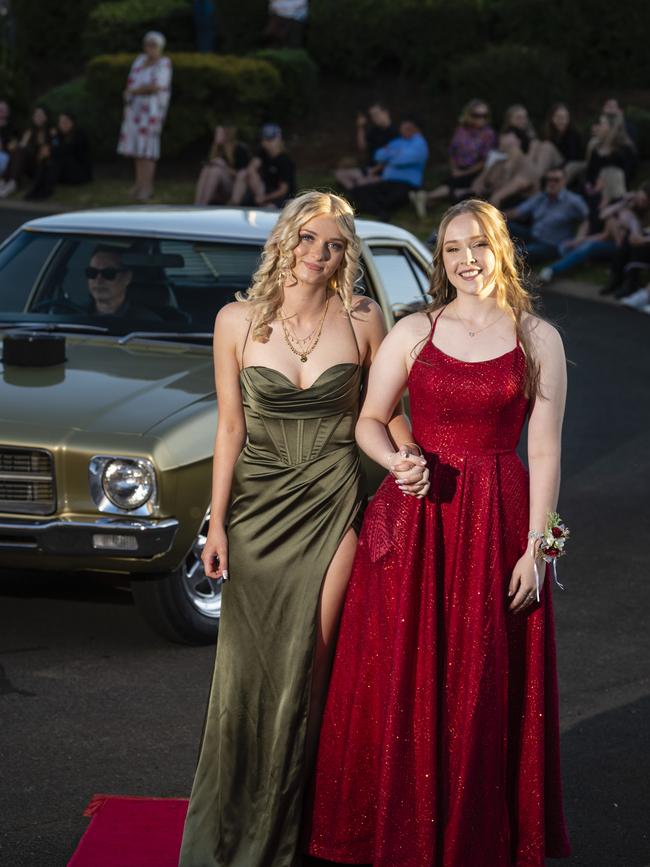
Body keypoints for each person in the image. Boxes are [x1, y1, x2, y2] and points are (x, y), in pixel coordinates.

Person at [305, 198, 571, 866]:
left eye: (478, 245)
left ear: (501, 249)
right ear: (440, 258)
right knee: (402, 675)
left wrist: (538, 551)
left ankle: (472, 836)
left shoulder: (539, 338)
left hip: (497, 523)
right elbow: (369, 418)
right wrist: (398, 459)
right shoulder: (414, 330)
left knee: (481, 679)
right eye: (453, 248)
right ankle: (397, 829)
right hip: (416, 523)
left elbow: (543, 452)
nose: (466, 259)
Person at [178, 191, 428, 867]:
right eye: (309, 239)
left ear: (348, 254)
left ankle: (297, 820)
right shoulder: (236, 320)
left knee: (310, 659)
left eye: (335, 244)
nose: (319, 254)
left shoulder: (364, 318)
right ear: (285, 240)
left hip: (333, 500)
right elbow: (230, 426)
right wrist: (217, 523)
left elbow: (387, 411)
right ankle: (237, 812)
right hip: (257, 511)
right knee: (246, 667)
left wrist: (411, 457)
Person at [410, 98, 496, 216]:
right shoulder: (461, 130)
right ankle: (428, 201)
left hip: (475, 170)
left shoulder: (488, 134)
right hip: (458, 169)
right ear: (469, 115)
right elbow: (452, 151)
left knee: (455, 184)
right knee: (453, 182)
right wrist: (455, 168)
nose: (481, 119)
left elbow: (484, 160)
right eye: (477, 115)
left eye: (484, 116)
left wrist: (464, 173)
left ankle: (426, 197)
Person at [117, 31, 172, 202]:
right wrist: (133, 92)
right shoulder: (139, 61)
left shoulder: (164, 63)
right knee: (137, 149)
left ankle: (148, 186)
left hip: (151, 112)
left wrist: (136, 90)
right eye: (148, 45)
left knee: (148, 149)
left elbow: (157, 86)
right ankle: (139, 183)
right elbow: (132, 82)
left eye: (153, 45)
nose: (150, 49)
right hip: (135, 110)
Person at [348, 115, 429, 222]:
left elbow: (402, 160)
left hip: (406, 185)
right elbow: (378, 155)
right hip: (387, 182)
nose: (402, 130)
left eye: (406, 128)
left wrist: (390, 156)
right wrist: (395, 154)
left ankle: (372, 209)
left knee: (390, 199)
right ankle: (378, 211)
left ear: (414, 128)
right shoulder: (399, 142)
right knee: (358, 191)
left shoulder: (419, 143)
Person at [506, 166, 589, 263]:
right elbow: (517, 212)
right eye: (549, 180)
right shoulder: (541, 197)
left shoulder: (573, 201)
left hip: (552, 245)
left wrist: (578, 240)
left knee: (518, 253)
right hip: (533, 235)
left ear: (564, 182)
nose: (552, 183)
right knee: (501, 224)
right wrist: (494, 216)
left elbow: (586, 219)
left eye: (556, 180)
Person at [23, 112, 93, 200]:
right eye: (60, 122)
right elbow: (55, 146)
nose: (62, 124)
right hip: (64, 173)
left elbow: (68, 149)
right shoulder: (60, 135)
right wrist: (55, 137)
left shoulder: (79, 134)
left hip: (80, 174)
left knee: (58, 157)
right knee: (49, 157)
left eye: (65, 121)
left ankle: (46, 190)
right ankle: (36, 187)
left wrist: (50, 150)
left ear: (72, 122)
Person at [334, 101, 398, 191]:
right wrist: (360, 127)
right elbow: (362, 146)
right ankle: (355, 192)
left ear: (385, 112)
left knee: (362, 182)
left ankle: (357, 192)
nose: (374, 118)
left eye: (376, 114)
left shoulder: (395, 133)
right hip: (368, 169)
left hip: (382, 173)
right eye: (372, 115)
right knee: (339, 174)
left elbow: (392, 158)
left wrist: (374, 171)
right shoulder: (374, 131)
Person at [229, 123, 296, 209]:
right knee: (243, 173)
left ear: (279, 139)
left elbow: (283, 190)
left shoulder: (285, 161)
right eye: (265, 140)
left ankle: (259, 203)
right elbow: (251, 168)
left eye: (270, 140)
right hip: (264, 192)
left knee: (269, 208)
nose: (267, 143)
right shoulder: (263, 154)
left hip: (282, 197)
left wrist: (264, 198)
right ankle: (233, 205)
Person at [470, 128, 538, 209]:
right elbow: (477, 184)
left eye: (507, 134)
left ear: (518, 140)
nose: (501, 137)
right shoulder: (497, 163)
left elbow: (500, 196)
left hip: (513, 212)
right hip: (488, 207)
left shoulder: (527, 164)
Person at [85, 247, 161, 320]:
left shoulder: (148, 323)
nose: (98, 280)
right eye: (92, 272)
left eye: (108, 273)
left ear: (127, 277)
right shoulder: (76, 316)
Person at [194, 124, 250, 205]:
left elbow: (243, 175)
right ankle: (198, 204)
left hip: (233, 187)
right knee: (207, 169)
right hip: (217, 187)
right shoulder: (217, 149)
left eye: (219, 133)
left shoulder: (240, 148)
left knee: (217, 169)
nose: (217, 136)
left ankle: (202, 204)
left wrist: (223, 168)